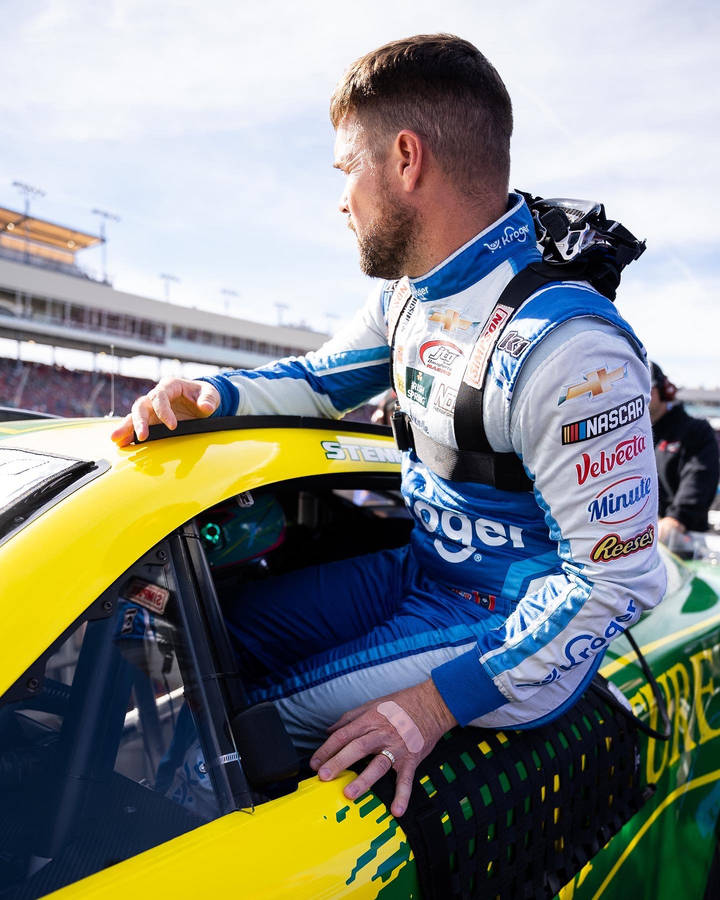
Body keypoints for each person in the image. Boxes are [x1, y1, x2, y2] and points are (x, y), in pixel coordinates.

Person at [111, 35, 666, 818]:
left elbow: (616, 581)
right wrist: (206, 395)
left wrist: (435, 705)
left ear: (406, 159)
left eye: (347, 169)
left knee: (235, 728)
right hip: (422, 574)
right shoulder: (410, 294)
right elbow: (317, 383)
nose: (341, 201)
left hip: (509, 620)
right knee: (198, 639)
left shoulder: (572, 351)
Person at [649, 361, 719, 545]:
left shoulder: (696, 431)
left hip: (683, 544)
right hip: (637, 542)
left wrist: (676, 519)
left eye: (646, 391)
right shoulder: (630, 438)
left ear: (664, 390)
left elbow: (700, 479)